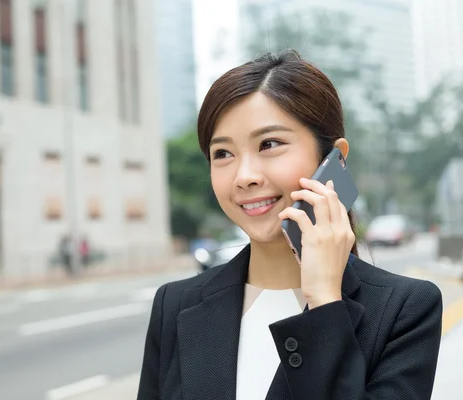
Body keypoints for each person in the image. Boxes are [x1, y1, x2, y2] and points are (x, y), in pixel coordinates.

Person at [137, 50, 442, 400]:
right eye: (222, 153)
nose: (244, 176)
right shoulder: (175, 304)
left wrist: (325, 302)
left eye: (269, 144)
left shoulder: (405, 310)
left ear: (334, 159)